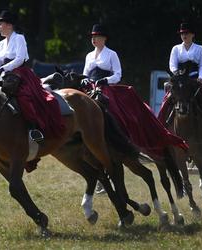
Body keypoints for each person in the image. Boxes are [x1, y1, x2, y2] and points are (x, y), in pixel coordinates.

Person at [0, 10, 65, 170]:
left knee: (24, 97)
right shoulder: (1, 44)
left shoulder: (19, 38)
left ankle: (33, 129)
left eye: (1, 24)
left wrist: (2, 69)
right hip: (4, 76)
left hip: (21, 75)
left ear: (9, 25)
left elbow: (20, 59)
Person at [158, 22, 202, 142]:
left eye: (187, 33)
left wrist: (201, 77)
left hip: (194, 79)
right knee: (167, 100)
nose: (184, 35)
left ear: (192, 35)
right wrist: (177, 74)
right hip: (179, 78)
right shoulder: (176, 48)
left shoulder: (199, 48)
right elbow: (172, 65)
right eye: (182, 33)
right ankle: (161, 127)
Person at [81, 24, 122, 194]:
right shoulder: (89, 55)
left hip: (105, 88)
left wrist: (106, 80)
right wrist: (83, 80)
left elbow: (118, 74)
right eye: (92, 36)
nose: (93, 38)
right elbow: (84, 73)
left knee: (111, 113)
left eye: (97, 36)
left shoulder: (112, 54)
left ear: (104, 39)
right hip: (89, 88)